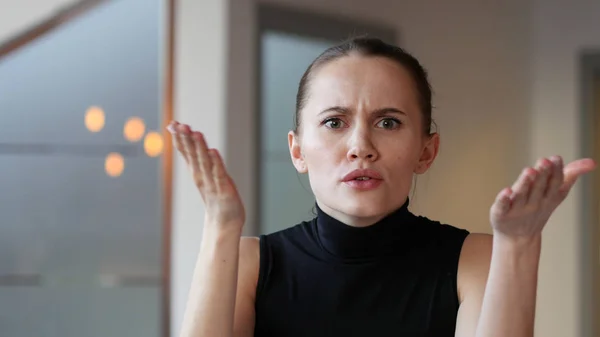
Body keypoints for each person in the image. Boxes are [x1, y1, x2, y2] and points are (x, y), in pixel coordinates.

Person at [168, 37, 596, 337]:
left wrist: (519, 244)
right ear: (297, 151)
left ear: (426, 151)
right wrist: (221, 226)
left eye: (388, 122)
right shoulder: (250, 265)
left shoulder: (475, 260)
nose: (360, 147)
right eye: (334, 122)